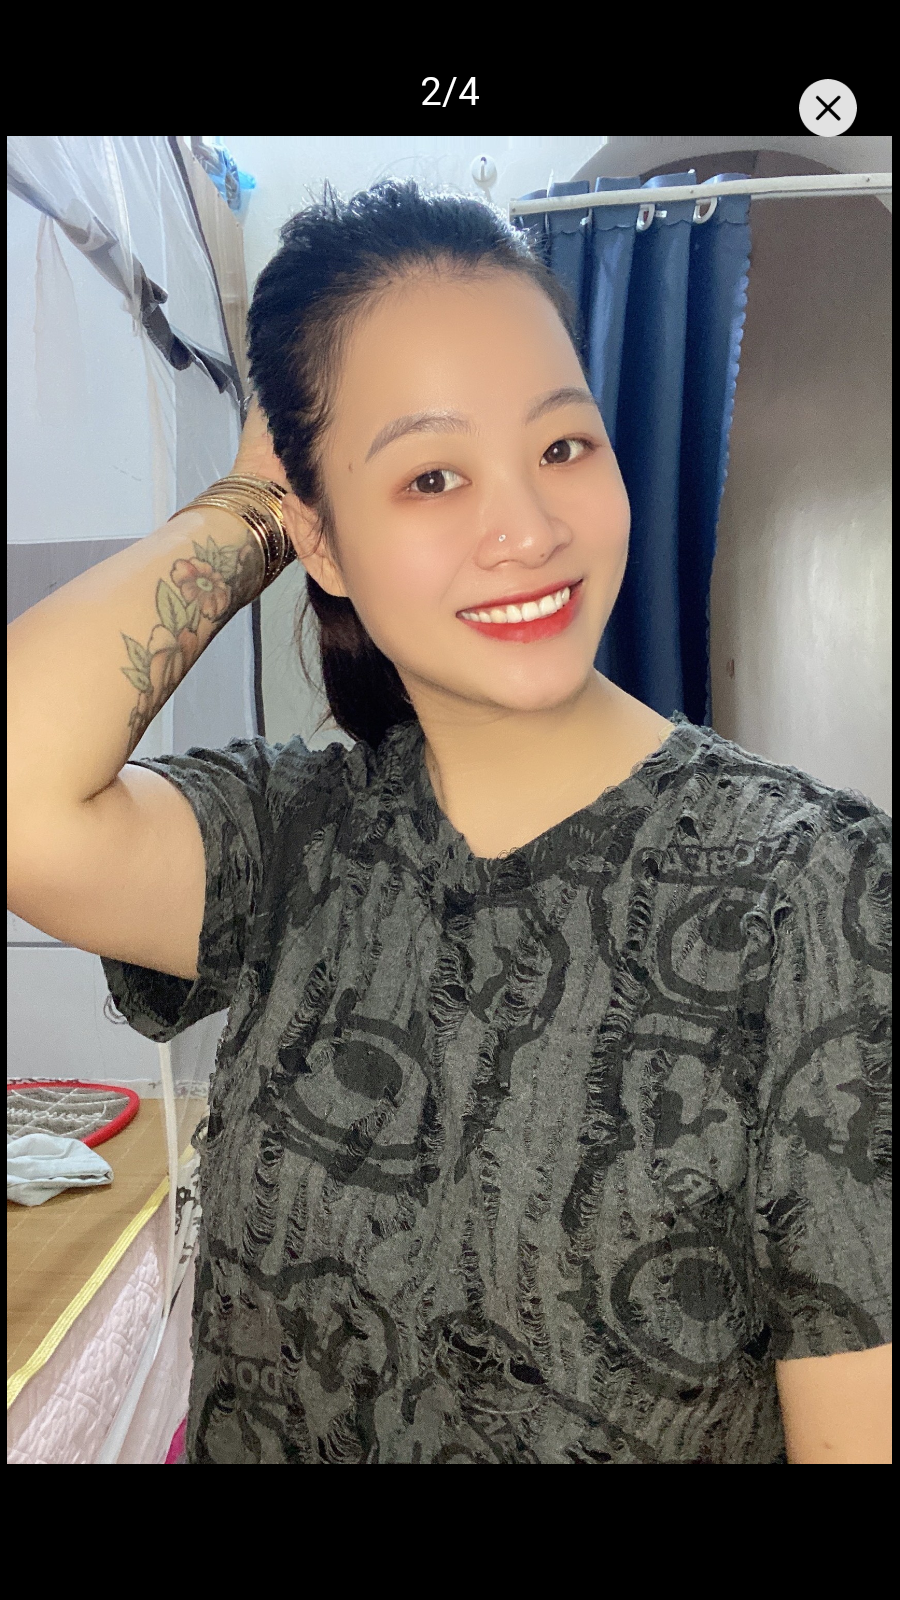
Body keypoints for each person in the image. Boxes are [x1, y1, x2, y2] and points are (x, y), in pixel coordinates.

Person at [8, 180, 890, 1465]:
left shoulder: (822, 892)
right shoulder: (293, 838)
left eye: (565, 445)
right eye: (431, 475)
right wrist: (247, 507)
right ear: (321, 540)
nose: (528, 529)